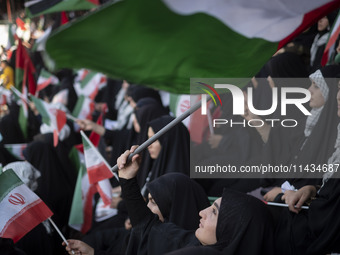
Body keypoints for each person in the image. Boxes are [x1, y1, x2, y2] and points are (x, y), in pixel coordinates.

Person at [64, 173, 210, 255]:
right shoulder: (152, 236)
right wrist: (92, 253)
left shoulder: (189, 249)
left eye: (153, 202)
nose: (147, 207)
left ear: (174, 206)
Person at [274, 78, 340, 255]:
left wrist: (284, 194)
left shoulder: (329, 134)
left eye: (316, 86)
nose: (339, 97)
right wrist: (312, 189)